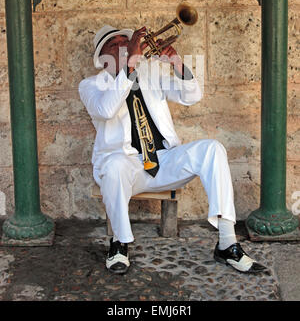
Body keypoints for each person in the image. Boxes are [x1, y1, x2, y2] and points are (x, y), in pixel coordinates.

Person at [79, 24, 266, 275]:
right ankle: (119, 243)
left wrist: (176, 62)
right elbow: (106, 109)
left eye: (127, 41)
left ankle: (227, 242)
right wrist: (130, 66)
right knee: (113, 167)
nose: (124, 45)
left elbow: (192, 96)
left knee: (213, 149)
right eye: (115, 44)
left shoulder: (150, 75)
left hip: (164, 160)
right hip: (125, 167)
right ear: (102, 58)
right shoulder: (91, 85)